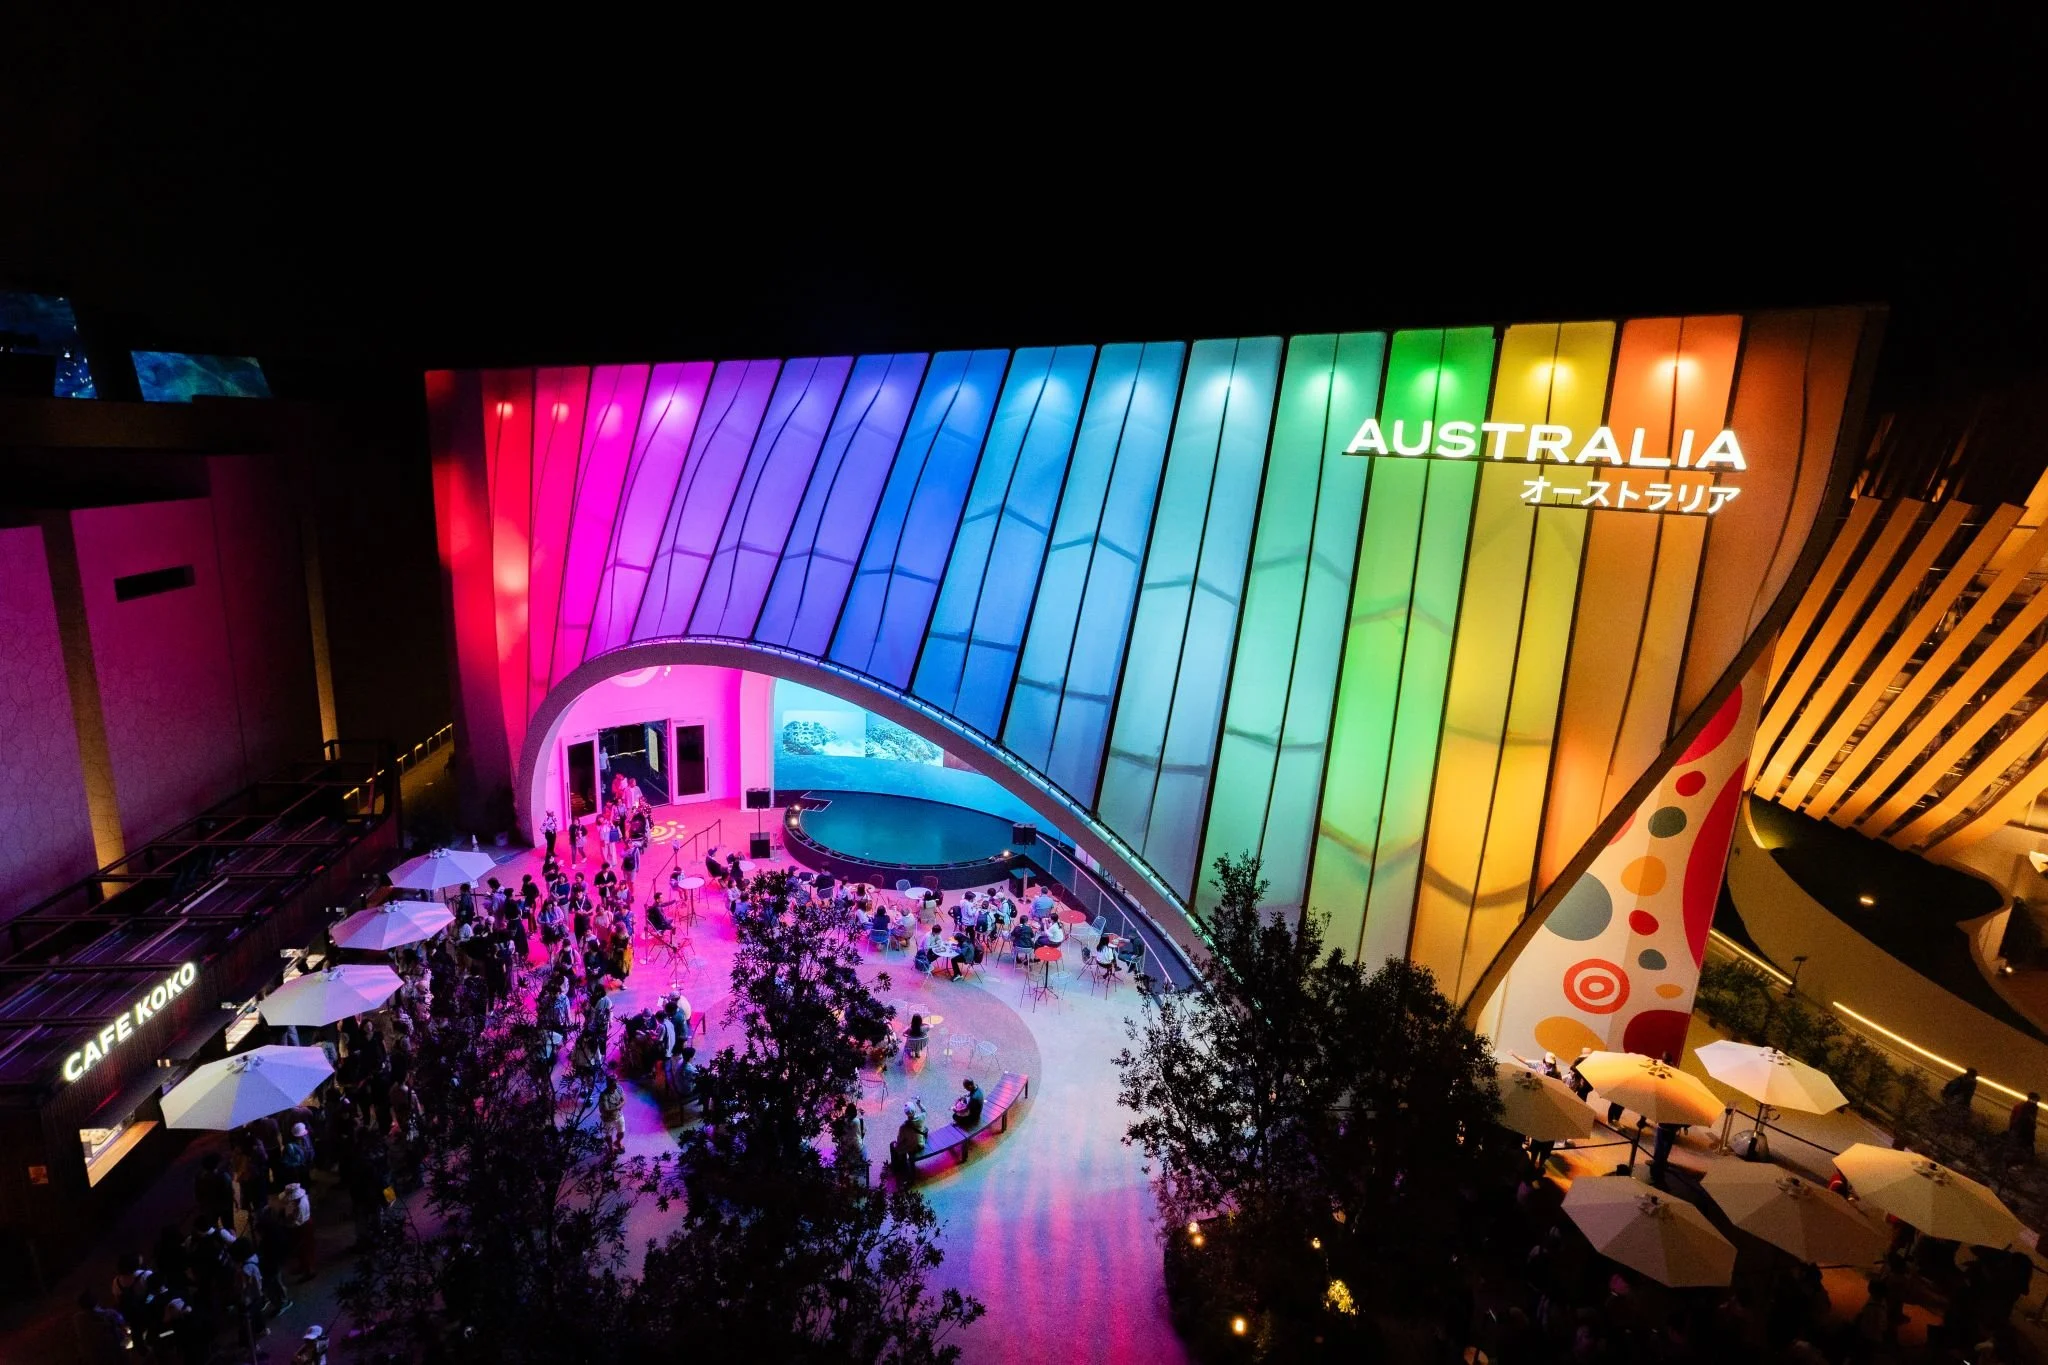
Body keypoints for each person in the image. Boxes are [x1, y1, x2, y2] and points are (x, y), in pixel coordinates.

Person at [889, 1099, 929, 1173]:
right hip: (920, 1144)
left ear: (906, 1114)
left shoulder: (903, 1127)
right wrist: (919, 1103)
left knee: (893, 1145)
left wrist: (896, 1145)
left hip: (911, 1147)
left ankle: (900, 1165)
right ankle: (903, 1163)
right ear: (915, 1111)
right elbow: (924, 1111)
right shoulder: (921, 1118)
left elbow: (899, 1140)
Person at [2008, 1092, 2039, 1161]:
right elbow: (2026, 1120)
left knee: (2021, 1145)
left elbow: (2014, 1117)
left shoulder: (2021, 1106)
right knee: (2023, 1145)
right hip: (2022, 1130)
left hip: (2019, 1129)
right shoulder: (2030, 1108)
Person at [599, 1075, 626, 1153]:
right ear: (608, 1084)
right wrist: (619, 1106)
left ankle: (618, 1142)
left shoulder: (619, 1088)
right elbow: (606, 1109)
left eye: (616, 1082)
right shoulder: (604, 1095)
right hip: (607, 1119)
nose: (615, 1084)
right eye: (612, 1083)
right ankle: (611, 1148)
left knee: (621, 1132)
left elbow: (624, 1100)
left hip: (619, 1115)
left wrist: (617, 1107)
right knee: (608, 1135)